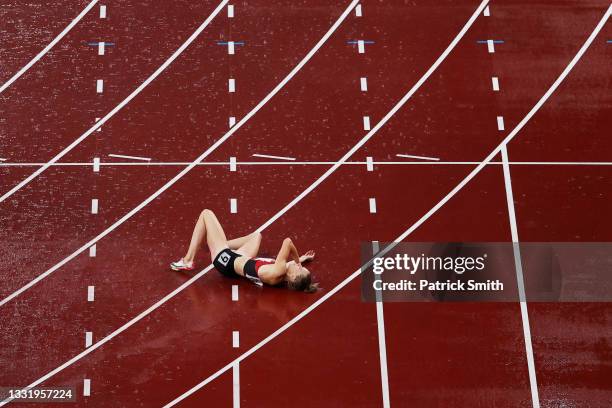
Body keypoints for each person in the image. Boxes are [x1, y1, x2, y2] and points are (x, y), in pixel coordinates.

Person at [170, 209, 317, 292]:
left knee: (206, 214)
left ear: (293, 277)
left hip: (226, 260)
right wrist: (301, 260)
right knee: (256, 236)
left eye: (300, 268)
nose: (299, 265)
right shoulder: (283, 274)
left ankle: (188, 260)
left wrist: (297, 260)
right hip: (241, 259)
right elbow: (287, 266)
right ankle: (219, 242)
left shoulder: (277, 272)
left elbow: (288, 242)